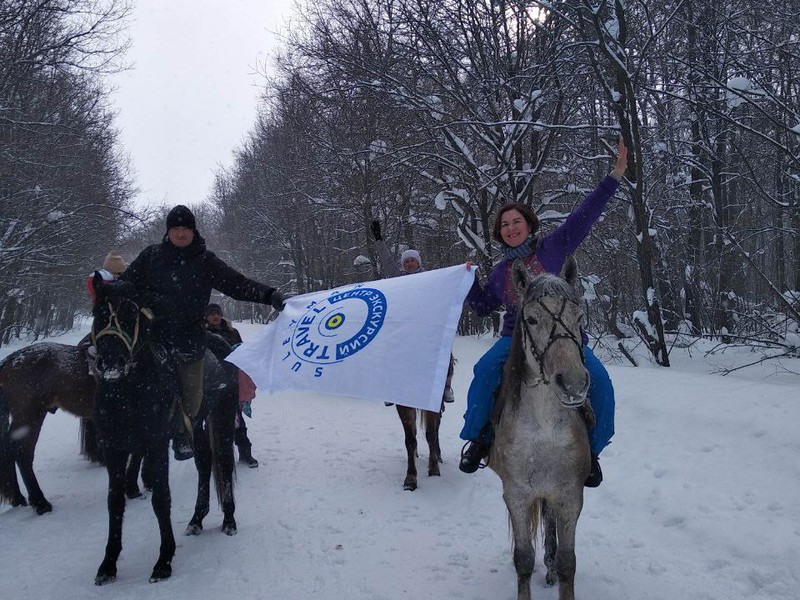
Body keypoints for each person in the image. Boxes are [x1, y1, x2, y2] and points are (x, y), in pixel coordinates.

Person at [458, 139, 628, 486]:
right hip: (515, 340)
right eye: (504, 224)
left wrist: (615, 175)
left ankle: (591, 455)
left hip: (566, 338)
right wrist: (466, 281)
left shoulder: (555, 246)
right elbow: (482, 307)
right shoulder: (501, 272)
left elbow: (586, 214)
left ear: (529, 223)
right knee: (485, 369)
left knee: (602, 384)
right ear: (500, 233)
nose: (510, 228)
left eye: (516, 221)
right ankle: (478, 440)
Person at [120, 205, 286, 461]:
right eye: (176, 228)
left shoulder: (205, 261)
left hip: (189, 338)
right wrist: (118, 291)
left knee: (192, 394)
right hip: (154, 335)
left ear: (193, 230)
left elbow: (237, 284)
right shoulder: (151, 256)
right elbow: (127, 285)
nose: (181, 233)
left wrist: (268, 294)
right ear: (168, 231)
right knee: (121, 371)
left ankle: (183, 432)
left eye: (186, 228)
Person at [370, 220, 456, 405]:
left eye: (412, 260)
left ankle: (446, 387)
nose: (409, 263)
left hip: (427, 325)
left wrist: (464, 271)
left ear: (418, 262)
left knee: (444, 351)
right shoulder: (399, 279)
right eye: (406, 261)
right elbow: (386, 261)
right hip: (405, 326)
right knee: (392, 353)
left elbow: (448, 284)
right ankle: (393, 390)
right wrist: (379, 240)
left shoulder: (431, 278)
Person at [203, 303, 259, 468]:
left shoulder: (232, 332)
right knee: (211, 421)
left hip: (231, 382)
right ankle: (212, 455)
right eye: (212, 313)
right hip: (209, 384)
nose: (215, 316)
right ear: (206, 316)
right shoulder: (202, 333)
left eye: (218, 313)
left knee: (237, 420)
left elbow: (241, 353)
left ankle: (245, 453)